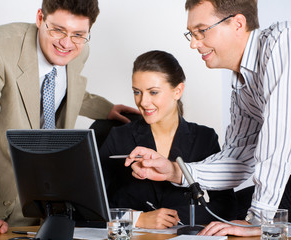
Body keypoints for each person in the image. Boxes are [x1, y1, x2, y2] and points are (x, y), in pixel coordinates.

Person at [125, 0, 291, 237]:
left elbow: (281, 134)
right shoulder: (242, 86)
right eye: (191, 33)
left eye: (201, 31)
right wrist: (174, 171)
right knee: (228, 210)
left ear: (238, 23)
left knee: (251, 217)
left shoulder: (287, 41)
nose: (193, 43)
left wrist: (258, 220)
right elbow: (239, 159)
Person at [0, 0, 139, 237]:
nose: (66, 43)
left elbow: (61, 87)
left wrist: (105, 108)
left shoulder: (79, 50)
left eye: (78, 34)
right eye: (58, 30)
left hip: (45, 204)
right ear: (39, 18)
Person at [100, 50, 236, 229]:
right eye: (137, 92)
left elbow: (227, 207)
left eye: (153, 92)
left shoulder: (204, 138)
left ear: (177, 91)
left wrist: (177, 218)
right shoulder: (119, 137)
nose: (143, 102)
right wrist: (138, 219)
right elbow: (91, 204)